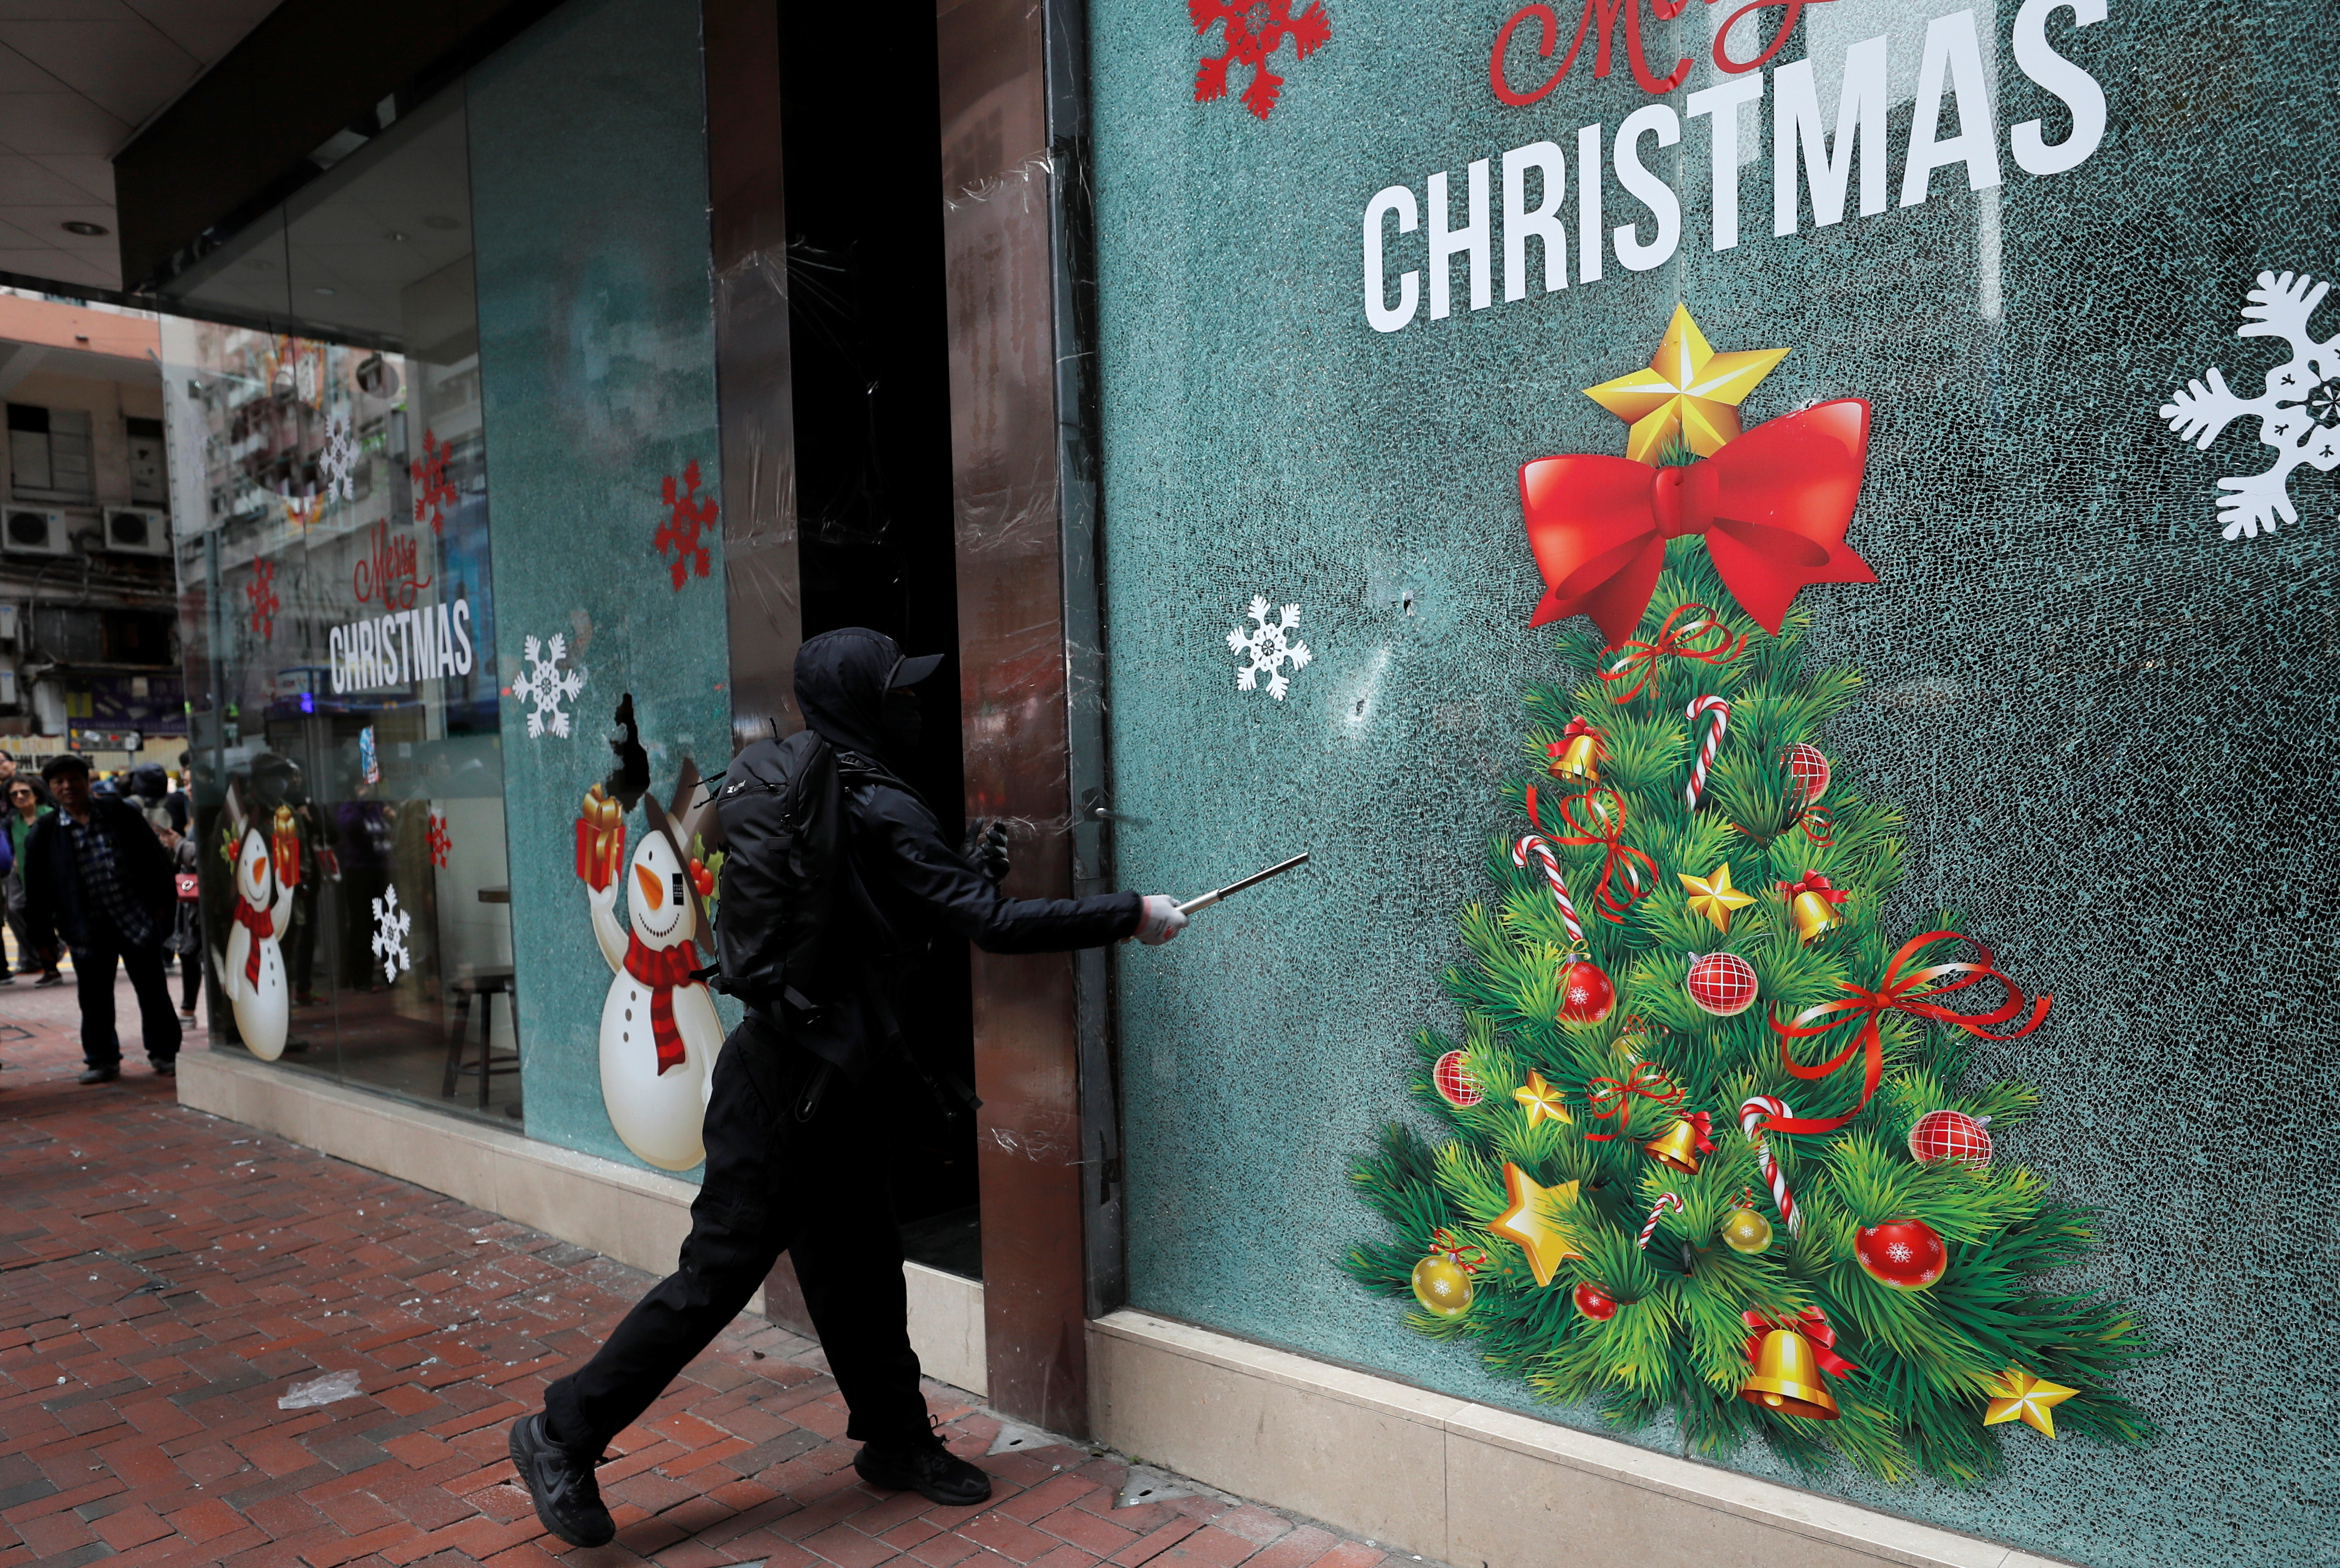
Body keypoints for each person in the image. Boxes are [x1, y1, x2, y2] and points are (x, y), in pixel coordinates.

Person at [508, 628, 1191, 1548]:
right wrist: (1132, 914)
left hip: (823, 1079)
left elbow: (877, 914)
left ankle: (897, 1442)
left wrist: (961, 871)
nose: (911, 706)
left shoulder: (834, 791)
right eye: (898, 692)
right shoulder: (871, 800)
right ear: (864, 702)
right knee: (712, 1283)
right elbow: (989, 924)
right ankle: (561, 1432)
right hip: (784, 1089)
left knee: (862, 1267)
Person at [22, 754, 182, 1082]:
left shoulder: (120, 813)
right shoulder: (45, 832)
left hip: (134, 918)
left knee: (153, 989)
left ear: (87, 781)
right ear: (51, 789)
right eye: (59, 782)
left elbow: (154, 858)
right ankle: (102, 1059)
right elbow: (37, 891)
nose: (68, 787)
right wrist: (44, 939)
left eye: (74, 779)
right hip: (85, 928)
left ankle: (165, 1053)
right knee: (93, 997)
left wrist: (162, 903)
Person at [4, 776, 62, 985]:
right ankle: (51, 970)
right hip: (31, 883)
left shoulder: (51, 815)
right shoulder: (13, 822)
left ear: (36, 794)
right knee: (39, 928)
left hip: (58, 880)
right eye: (14, 794)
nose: (20, 797)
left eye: (25, 792)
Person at [163, 824, 204, 1022]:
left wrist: (179, 844)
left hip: (205, 902)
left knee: (196, 952)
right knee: (189, 951)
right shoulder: (196, 814)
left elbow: (205, 855)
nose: (189, 790)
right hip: (192, 900)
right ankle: (188, 1009)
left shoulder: (214, 811)